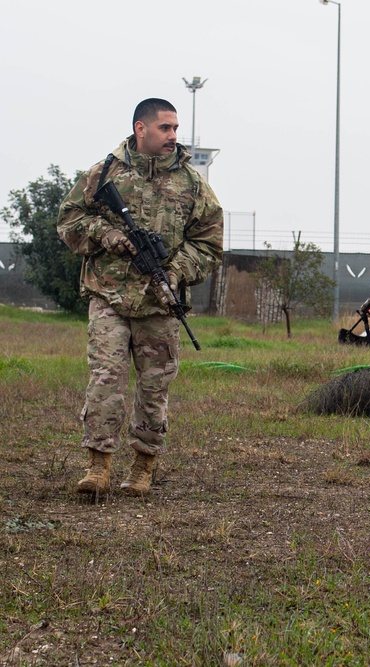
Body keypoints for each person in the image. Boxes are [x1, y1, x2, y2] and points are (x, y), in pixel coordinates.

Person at [57, 98, 224, 496]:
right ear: (140, 129)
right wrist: (109, 236)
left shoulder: (193, 184)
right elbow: (69, 220)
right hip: (109, 296)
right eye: (165, 128)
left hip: (160, 303)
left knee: (154, 387)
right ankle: (98, 467)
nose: (173, 136)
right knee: (105, 379)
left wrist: (174, 271)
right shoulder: (103, 174)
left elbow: (209, 244)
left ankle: (142, 468)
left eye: (175, 129)